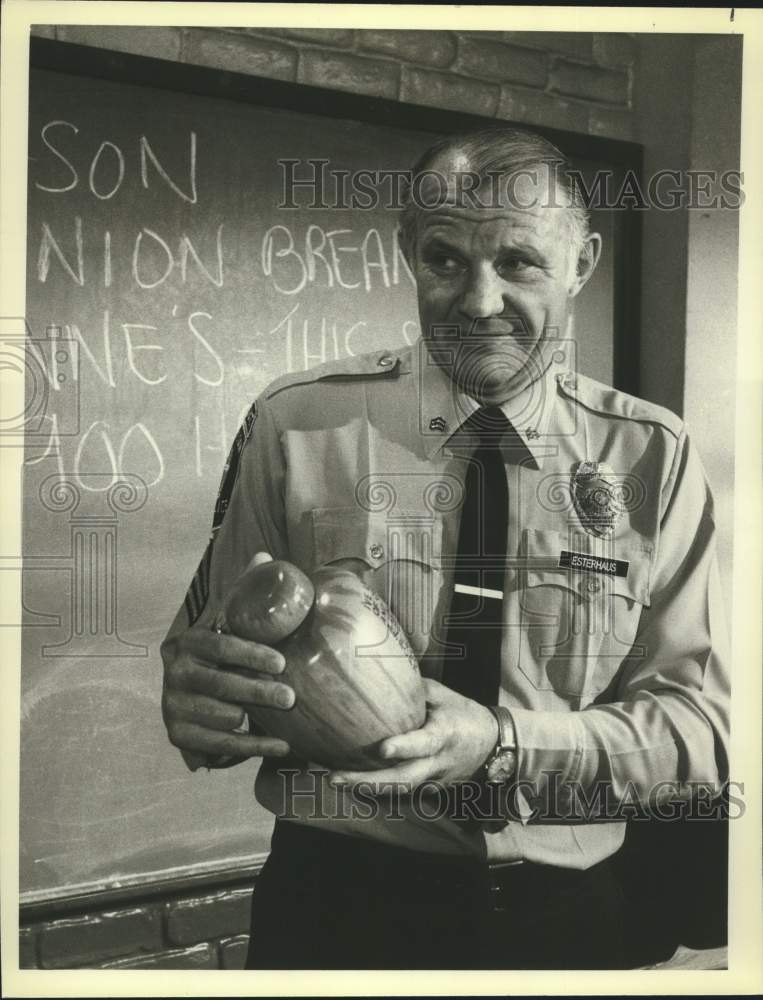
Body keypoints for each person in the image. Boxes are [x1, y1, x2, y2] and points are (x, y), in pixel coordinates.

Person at [160, 128, 730, 970]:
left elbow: (703, 730)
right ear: (407, 255)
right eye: (444, 259)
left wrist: (503, 745)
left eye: (519, 263)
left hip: (568, 922)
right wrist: (200, 703)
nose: (477, 300)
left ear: (582, 264)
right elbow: (212, 663)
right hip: (335, 908)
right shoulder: (296, 426)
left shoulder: (651, 456)